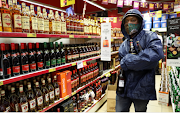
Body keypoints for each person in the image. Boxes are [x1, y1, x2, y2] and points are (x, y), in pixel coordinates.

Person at [116, 9, 164, 112]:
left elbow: (155, 55)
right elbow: (122, 63)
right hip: (123, 88)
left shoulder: (150, 37)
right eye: (126, 21)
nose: (129, 23)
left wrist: (128, 61)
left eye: (133, 20)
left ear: (140, 22)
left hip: (141, 88)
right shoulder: (124, 44)